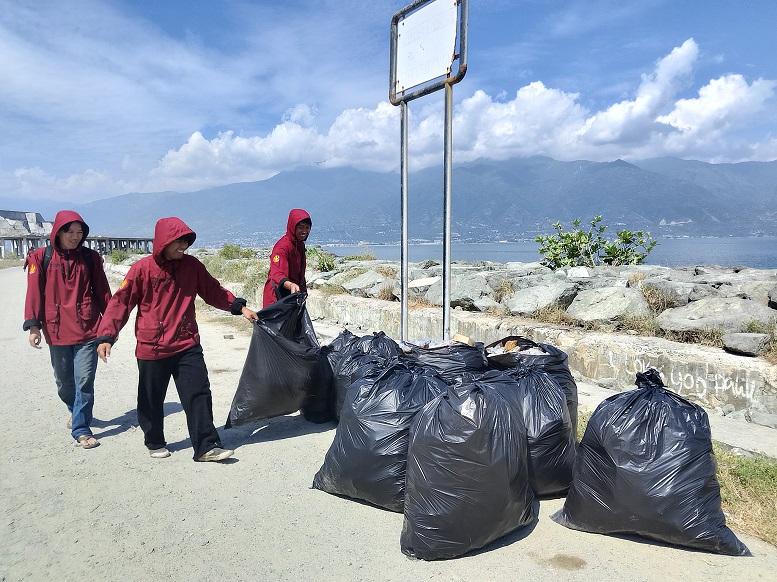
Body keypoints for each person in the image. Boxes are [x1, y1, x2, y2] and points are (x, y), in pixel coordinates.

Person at [95, 217, 258, 462]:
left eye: (186, 241)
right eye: (178, 242)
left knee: (199, 393)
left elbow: (213, 291)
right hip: (153, 347)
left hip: (186, 342)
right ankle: (154, 440)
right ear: (164, 242)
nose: (183, 246)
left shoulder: (192, 266)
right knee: (151, 399)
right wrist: (107, 335)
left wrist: (238, 307)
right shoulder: (142, 269)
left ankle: (206, 446)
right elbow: (121, 303)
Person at [23, 210, 112, 450]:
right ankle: (75, 411)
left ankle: (81, 428)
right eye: (70, 232)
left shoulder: (91, 259)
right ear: (58, 233)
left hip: (87, 328)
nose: (75, 237)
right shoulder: (41, 257)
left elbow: (103, 292)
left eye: (79, 232)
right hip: (56, 328)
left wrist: (110, 326)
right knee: (64, 382)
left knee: (84, 379)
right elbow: (33, 293)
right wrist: (34, 326)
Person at [262, 209, 311, 308]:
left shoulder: (299, 245)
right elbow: (276, 274)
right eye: (301, 227)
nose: (304, 231)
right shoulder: (282, 247)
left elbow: (299, 274)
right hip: (277, 297)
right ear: (293, 227)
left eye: (307, 227)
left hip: (292, 295)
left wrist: (303, 291)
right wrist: (291, 285)